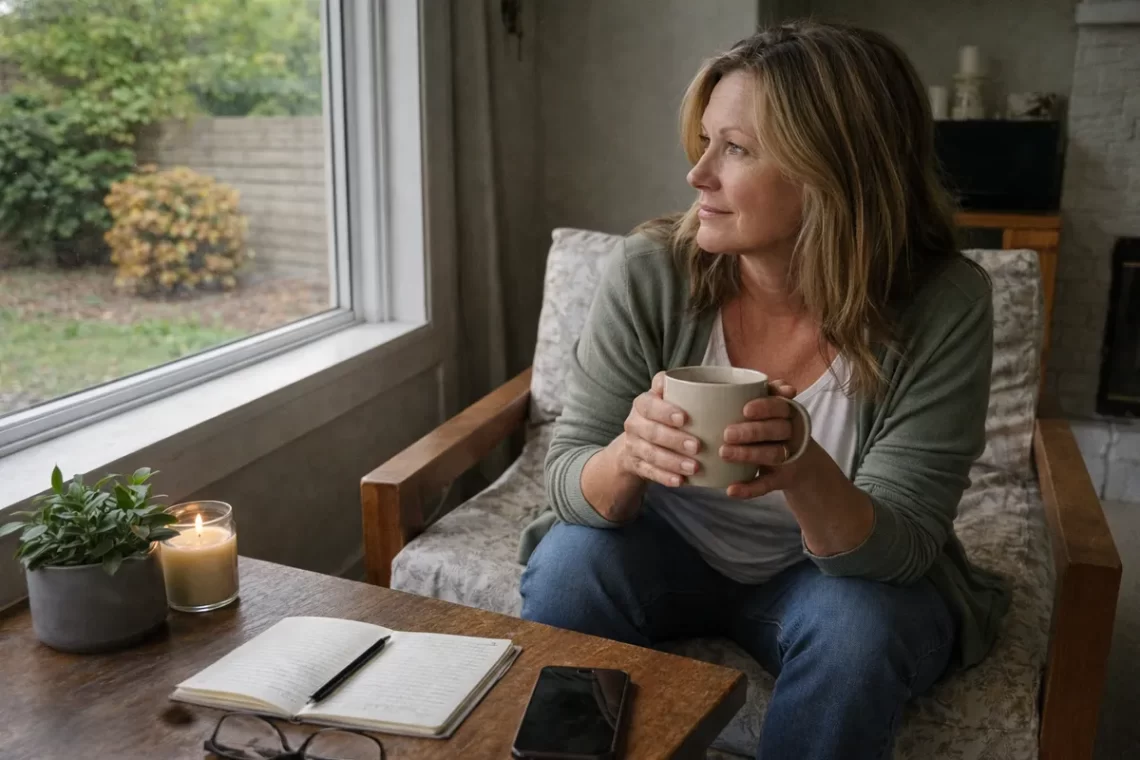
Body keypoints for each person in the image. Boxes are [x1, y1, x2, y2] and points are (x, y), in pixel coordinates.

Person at [515, 21, 1011, 760]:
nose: (698, 173)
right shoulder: (651, 271)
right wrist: (627, 454)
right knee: (568, 565)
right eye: (706, 140)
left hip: (831, 578)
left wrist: (804, 468)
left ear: (837, 168)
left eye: (737, 148)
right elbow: (567, 480)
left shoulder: (944, 303)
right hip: (667, 554)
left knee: (860, 630)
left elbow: (906, 545)